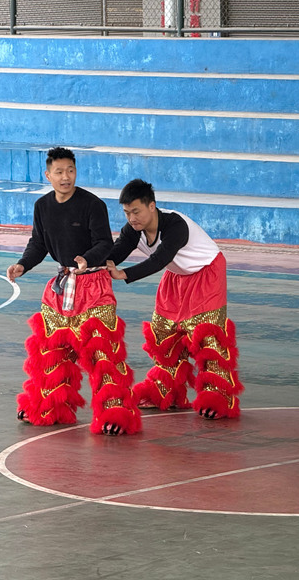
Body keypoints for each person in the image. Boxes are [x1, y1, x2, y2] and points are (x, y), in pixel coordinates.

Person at [7, 147, 141, 436]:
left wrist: (86, 260)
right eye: (59, 172)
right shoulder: (42, 206)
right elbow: (39, 244)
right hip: (62, 286)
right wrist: (22, 265)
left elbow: (105, 243)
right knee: (52, 350)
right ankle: (49, 405)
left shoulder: (92, 204)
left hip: (93, 285)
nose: (65, 176)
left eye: (70, 170)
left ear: (75, 171)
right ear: (48, 175)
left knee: (102, 352)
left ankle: (115, 412)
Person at [106, 179, 241, 420]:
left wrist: (124, 274)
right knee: (164, 333)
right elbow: (113, 255)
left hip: (205, 271)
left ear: (152, 206)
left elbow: (159, 259)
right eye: (126, 213)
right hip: (177, 274)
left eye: (136, 211)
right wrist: (88, 263)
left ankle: (217, 395)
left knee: (205, 335)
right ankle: (165, 389)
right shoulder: (132, 231)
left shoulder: (175, 224)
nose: (131, 218)